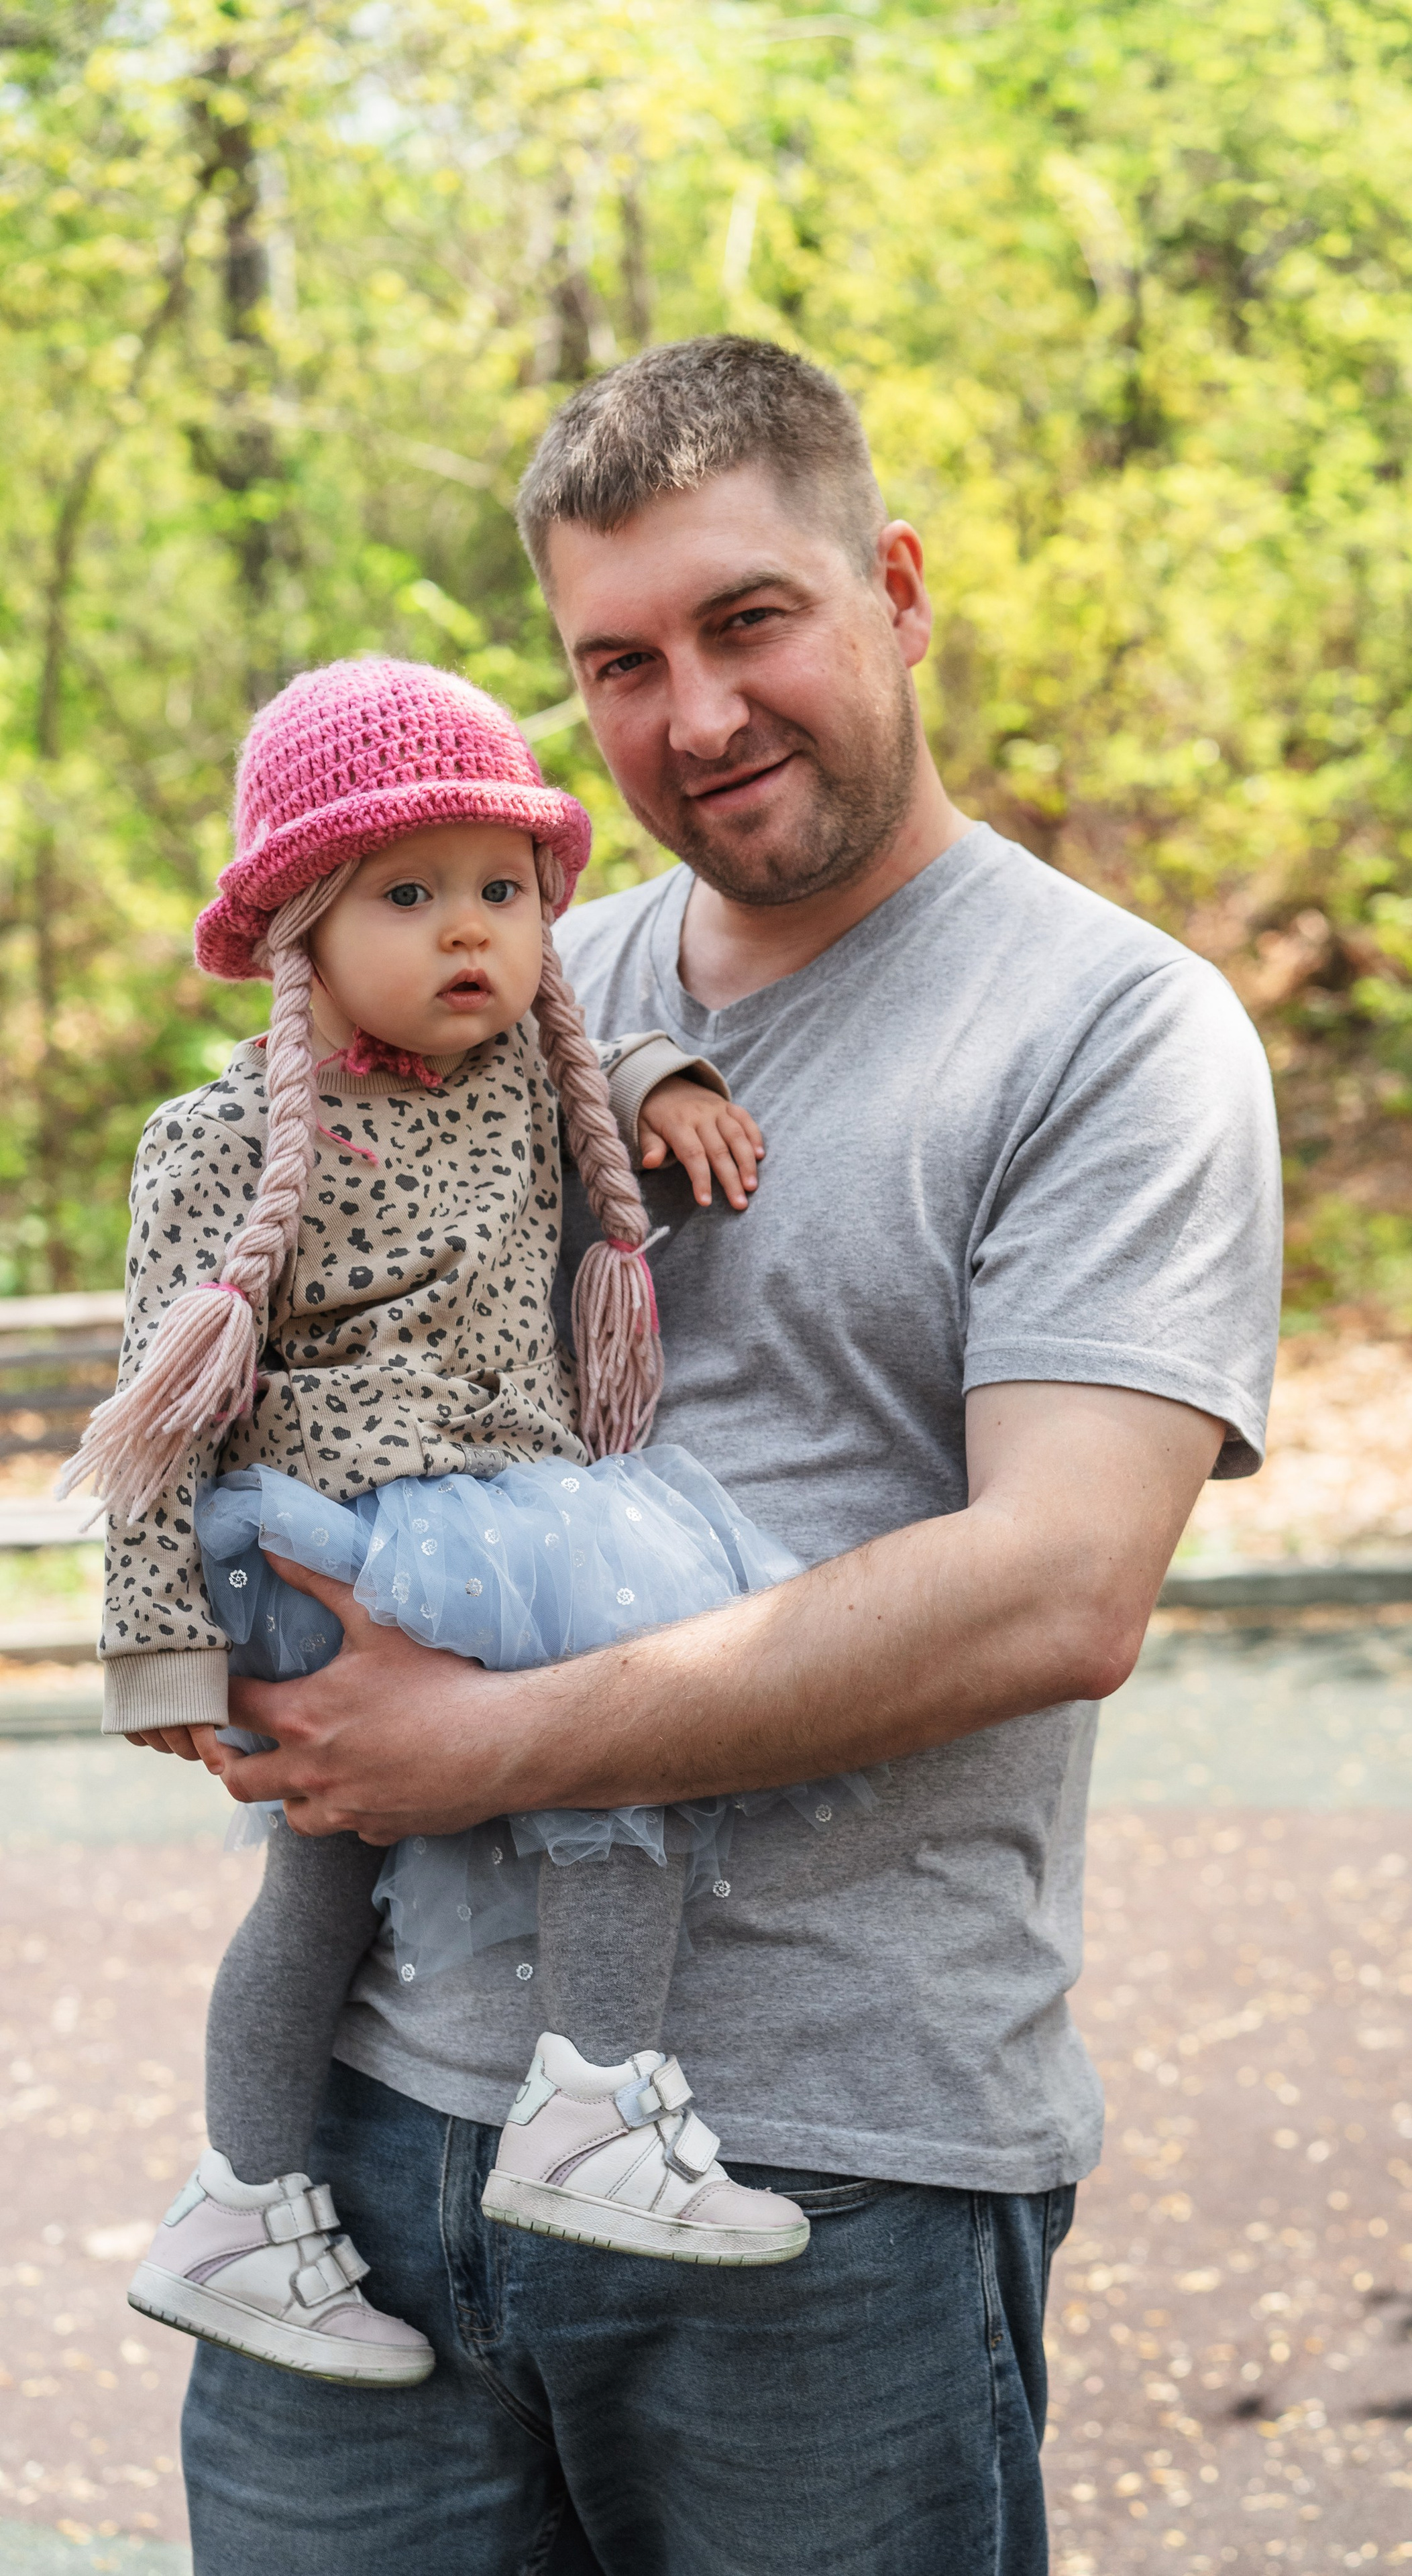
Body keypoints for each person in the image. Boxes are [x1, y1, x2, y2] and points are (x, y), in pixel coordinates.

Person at [180, 337, 1282, 2574]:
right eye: (620, 659)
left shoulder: (1112, 1030)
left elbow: (1061, 1586)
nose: (695, 713)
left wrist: (478, 1743)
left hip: (827, 2172)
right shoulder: (502, 963)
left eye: (750, 620)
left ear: (892, 585)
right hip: (374, 2145)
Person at [88, 655, 871, 2394]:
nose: (475, 933)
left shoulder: (527, 1074)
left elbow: (591, 1029)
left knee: (436, 1827)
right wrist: (155, 1643)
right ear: (301, 919)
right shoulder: (223, 1141)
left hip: (497, 1512)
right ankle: (550, 2107)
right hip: (314, 1540)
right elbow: (155, 1408)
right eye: (411, 892)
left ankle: (300, 2182)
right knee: (573, 1752)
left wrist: (660, 1080)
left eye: (505, 891)